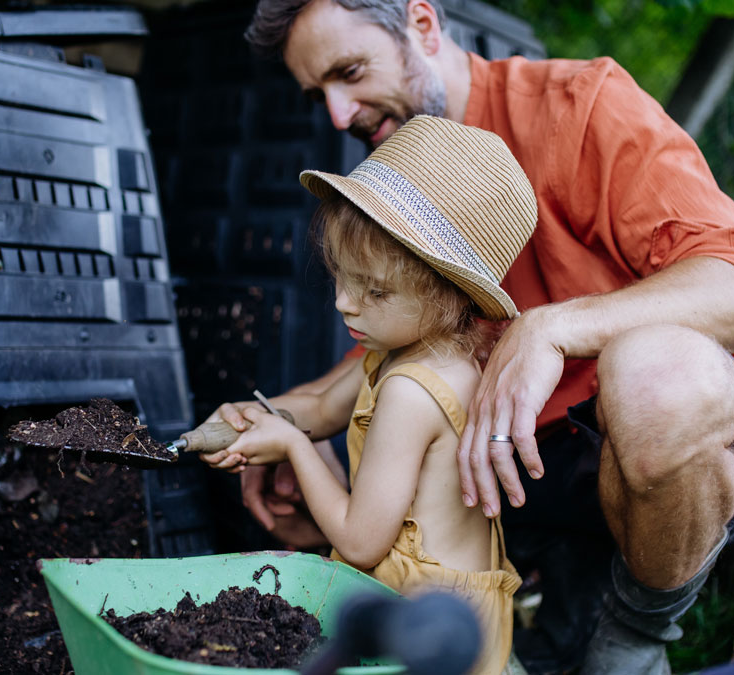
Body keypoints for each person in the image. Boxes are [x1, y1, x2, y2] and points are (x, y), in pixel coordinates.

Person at [208, 1, 734, 673]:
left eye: (350, 71)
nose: (340, 116)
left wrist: (552, 327)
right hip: (526, 474)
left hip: (680, 451)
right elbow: (363, 371)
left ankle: (637, 632)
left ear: (423, 26)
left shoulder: (580, 106)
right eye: (320, 95)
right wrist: (280, 421)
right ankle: (539, 616)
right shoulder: (408, 171)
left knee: (654, 376)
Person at [204, 115, 535, 675]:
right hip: (464, 612)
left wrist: (292, 446)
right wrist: (263, 419)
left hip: (417, 623)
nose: (344, 304)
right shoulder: (432, 353)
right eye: (341, 274)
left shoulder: (410, 391)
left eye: (374, 289)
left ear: (448, 294)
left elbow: (360, 542)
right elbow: (327, 409)